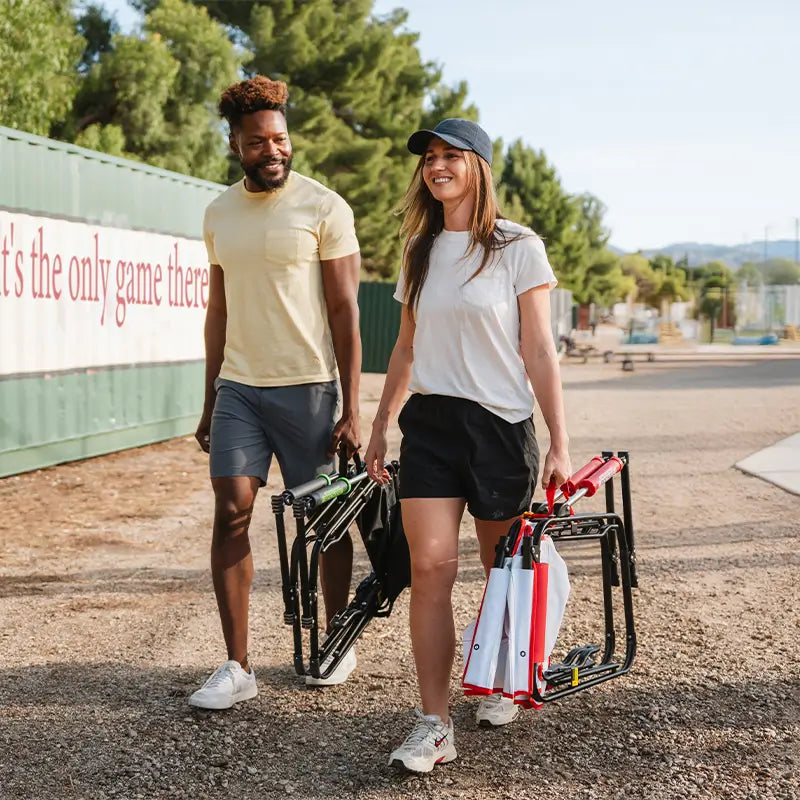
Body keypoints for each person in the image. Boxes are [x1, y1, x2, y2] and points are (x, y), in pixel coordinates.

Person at [364, 119, 572, 772]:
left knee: (499, 568)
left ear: (477, 167)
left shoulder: (517, 246)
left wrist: (560, 442)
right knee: (429, 568)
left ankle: (503, 676)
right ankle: (434, 723)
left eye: (450, 155)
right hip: (430, 426)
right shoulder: (419, 250)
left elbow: (539, 349)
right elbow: (405, 346)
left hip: (500, 427)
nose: (437, 166)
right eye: (429, 157)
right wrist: (380, 424)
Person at [189, 76, 362, 709]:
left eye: (281, 138)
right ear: (235, 145)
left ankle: (336, 640)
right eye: (259, 141)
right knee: (231, 510)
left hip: (308, 388)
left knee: (324, 517)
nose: (273, 150)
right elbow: (218, 309)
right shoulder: (218, 213)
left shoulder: (325, 207)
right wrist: (210, 398)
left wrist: (353, 407)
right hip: (239, 388)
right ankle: (237, 667)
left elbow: (345, 310)